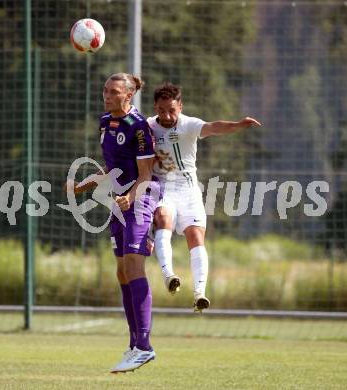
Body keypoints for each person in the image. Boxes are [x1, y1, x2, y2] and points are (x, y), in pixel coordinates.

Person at [65, 73, 159, 373]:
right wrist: (86, 185)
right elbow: (112, 167)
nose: (107, 95)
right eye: (105, 90)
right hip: (118, 202)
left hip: (139, 199)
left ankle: (144, 346)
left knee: (133, 266)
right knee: (121, 272)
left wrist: (130, 198)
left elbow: (145, 175)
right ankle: (134, 345)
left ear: (128, 96)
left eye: (114, 91)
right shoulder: (105, 121)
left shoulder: (140, 127)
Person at [148, 82, 261, 312]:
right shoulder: (148, 126)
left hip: (189, 191)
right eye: (161, 110)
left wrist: (238, 125)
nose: (167, 115)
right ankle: (169, 275)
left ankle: (200, 293)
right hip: (164, 190)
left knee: (196, 236)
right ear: (155, 107)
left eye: (172, 109)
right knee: (163, 222)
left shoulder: (189, 125)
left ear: (180, 106)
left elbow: (214, 127)